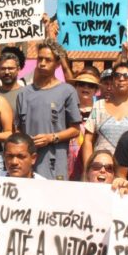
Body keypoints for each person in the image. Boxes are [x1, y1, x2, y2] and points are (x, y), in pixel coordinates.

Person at [15, 39, 80, 180]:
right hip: (26, 164)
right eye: (40, 58)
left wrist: (51, 138)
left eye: (48, 60)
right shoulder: (23, 93)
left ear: (57, 64)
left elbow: (76, 129)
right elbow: (18, 129)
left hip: (55, 162)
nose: (42, 63)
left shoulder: (67, 91)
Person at [81, 62, 128, 167]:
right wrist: (87, 168)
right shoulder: (98, 106)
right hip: (101, 170)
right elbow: (88, 140)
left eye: (126, 76)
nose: (121, 79)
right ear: (112, 80)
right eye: (117, 76)